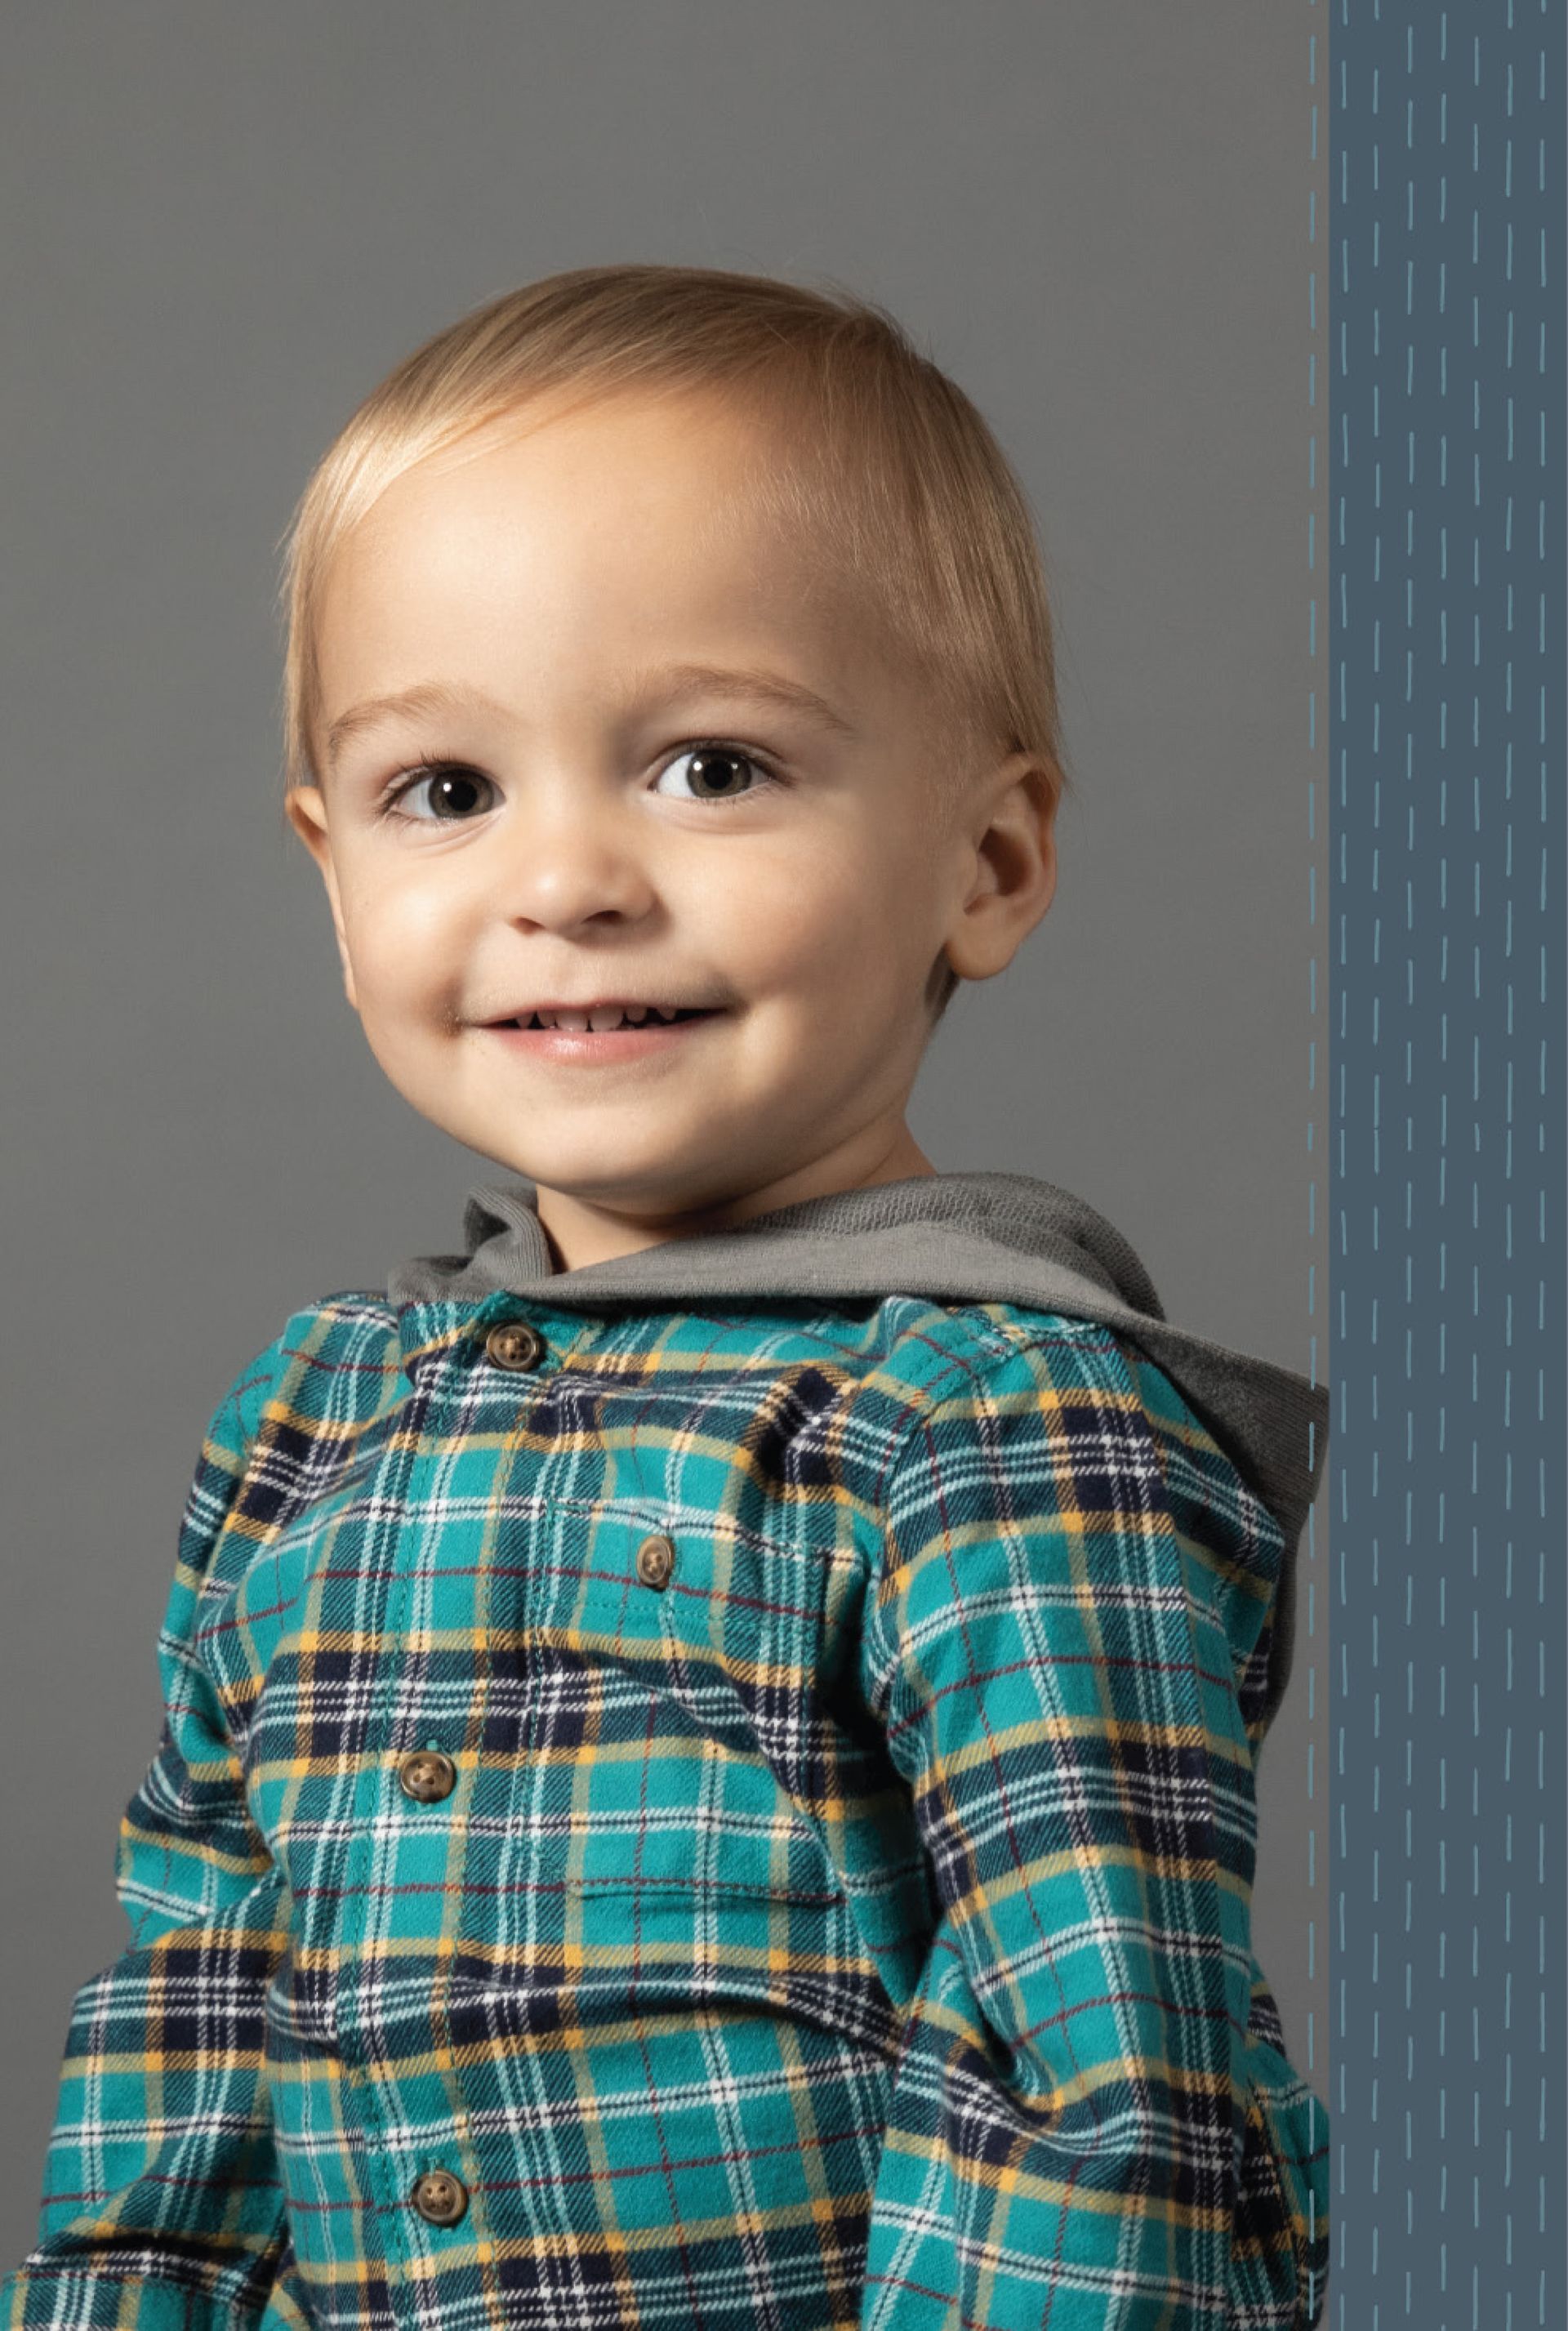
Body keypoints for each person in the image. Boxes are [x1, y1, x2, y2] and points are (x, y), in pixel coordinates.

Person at [2, 262, 1329, 2331]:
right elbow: (192, 2043)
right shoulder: (317, 1425)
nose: (570, 878)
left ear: (986, 861)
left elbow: (1106, 2116)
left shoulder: (984, 1418)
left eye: (711, 766)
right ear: (334, 877)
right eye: (447, 791)